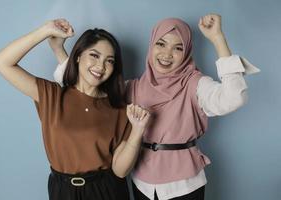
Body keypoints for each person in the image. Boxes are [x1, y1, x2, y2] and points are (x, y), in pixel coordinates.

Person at [51, 14, 260, 200]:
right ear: (151, 46)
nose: (167, 54)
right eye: (161, 44)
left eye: (178, 48)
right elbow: (87, 89)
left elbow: (235, 97)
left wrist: (217, 38)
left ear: (186, 52)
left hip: (184, 184)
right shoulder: (133, 88)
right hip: (141, 180)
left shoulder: (195, 84)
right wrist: (59, 50)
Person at [0, 19, 150, 200]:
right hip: (62, 191)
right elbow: (1, 62)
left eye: (109, 61)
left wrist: (137, 131)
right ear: (78, 56)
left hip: (106, 190)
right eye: (94, 55)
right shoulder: (52, 95)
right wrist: (45, 31)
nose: (101, 66)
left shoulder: (119, 109)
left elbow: (120, 171)